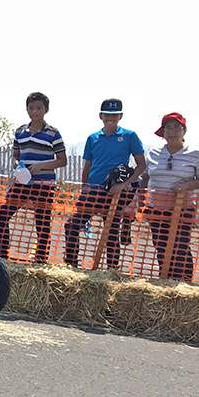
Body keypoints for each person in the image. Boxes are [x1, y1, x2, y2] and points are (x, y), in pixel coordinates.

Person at [64, 99, 146, 270]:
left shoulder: (130, 136)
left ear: (120, 116)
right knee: (71, 225)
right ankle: (72, 266)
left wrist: (124, 185)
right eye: (107, 115)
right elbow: (87, 167)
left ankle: (112, 271)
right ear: (101, 116)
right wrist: (84, 189)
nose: (111, 118)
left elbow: (141, 165)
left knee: (111, 233)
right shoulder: (92, 138)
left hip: (114, 193)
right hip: (92, 191)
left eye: (115, 115)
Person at [127, 113, 199, 281]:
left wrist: (186, 186)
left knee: (179, 246)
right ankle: (165, 280)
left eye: (177, 127)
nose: (172, 132)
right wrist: (140, 200)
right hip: (156, 208)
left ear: (184, 130)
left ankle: (183, 284)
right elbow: (146, 177)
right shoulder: (154, 153)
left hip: (183, 209)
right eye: (167, 128)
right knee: (161, 246)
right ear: (162, 132)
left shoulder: (196, 154)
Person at [0, 92, 67, 263]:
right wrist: (16, 163)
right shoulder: (20, 131)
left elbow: (62, 160)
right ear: (26, 109)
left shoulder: (53, 133)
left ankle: (40, 260)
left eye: (38, 108)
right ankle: (2, 256)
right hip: (22, 182)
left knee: (42, 223)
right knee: (0, 215)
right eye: (31, 108)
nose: (34, 111)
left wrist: (41, 166)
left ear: (46, 110)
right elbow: (15, 155)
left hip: (44, 184)